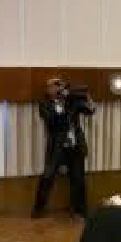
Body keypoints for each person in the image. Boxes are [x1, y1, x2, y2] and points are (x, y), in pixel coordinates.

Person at [32, 77, 96, 218]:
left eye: (59, 85)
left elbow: (91, 110)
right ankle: (38, 209)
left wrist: (86, 95)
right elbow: (52, 120)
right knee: (47, 177)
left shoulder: (72, 101)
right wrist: (64, 104)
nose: (58, 88)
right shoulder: (44, 103)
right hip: (57, 147)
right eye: (54, 85)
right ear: (48, 89)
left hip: (75, 146)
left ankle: (80, 210)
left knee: (78, 180)